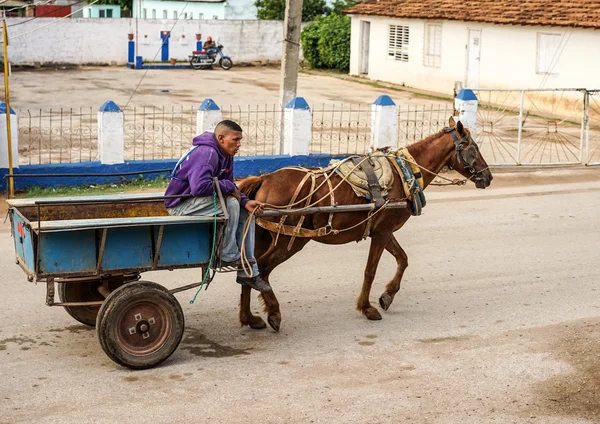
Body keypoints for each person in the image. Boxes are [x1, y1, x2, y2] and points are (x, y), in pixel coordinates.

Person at [164, 120, 272, 293]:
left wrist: (245, 201)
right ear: (221, 138)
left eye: (240, 140)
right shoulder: (207, 153)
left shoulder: (226, 155)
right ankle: (227, 254)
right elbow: (200, 188)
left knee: (245, 210)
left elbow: (229, 184)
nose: (239, 144)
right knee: (230, 203)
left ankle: (248, 272)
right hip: (181, 205)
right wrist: (231, 190)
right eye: (235, 139)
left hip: (199, 203)